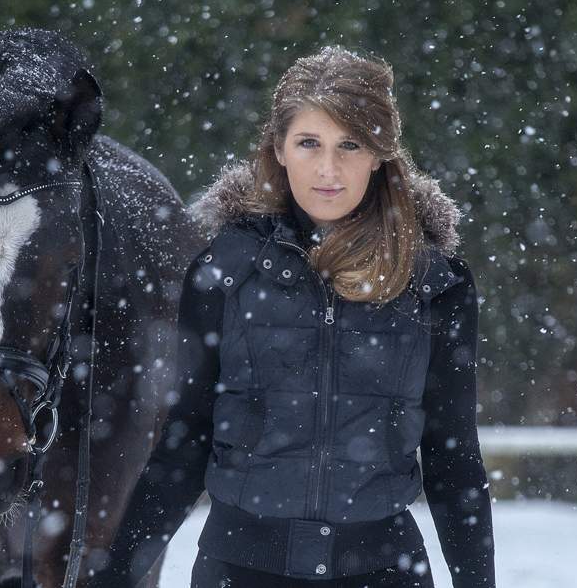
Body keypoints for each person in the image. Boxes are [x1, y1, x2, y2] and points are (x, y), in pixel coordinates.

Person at [88, 46, 495, 588]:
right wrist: (112, 576)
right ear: (278, 148)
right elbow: (184, 443)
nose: (328, 169)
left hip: (384, 570)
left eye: (350, 145)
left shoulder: (434, 285)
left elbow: (454, 458)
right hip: (239, 569)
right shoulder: (223, 273)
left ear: (379, 154)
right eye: (309, 143)